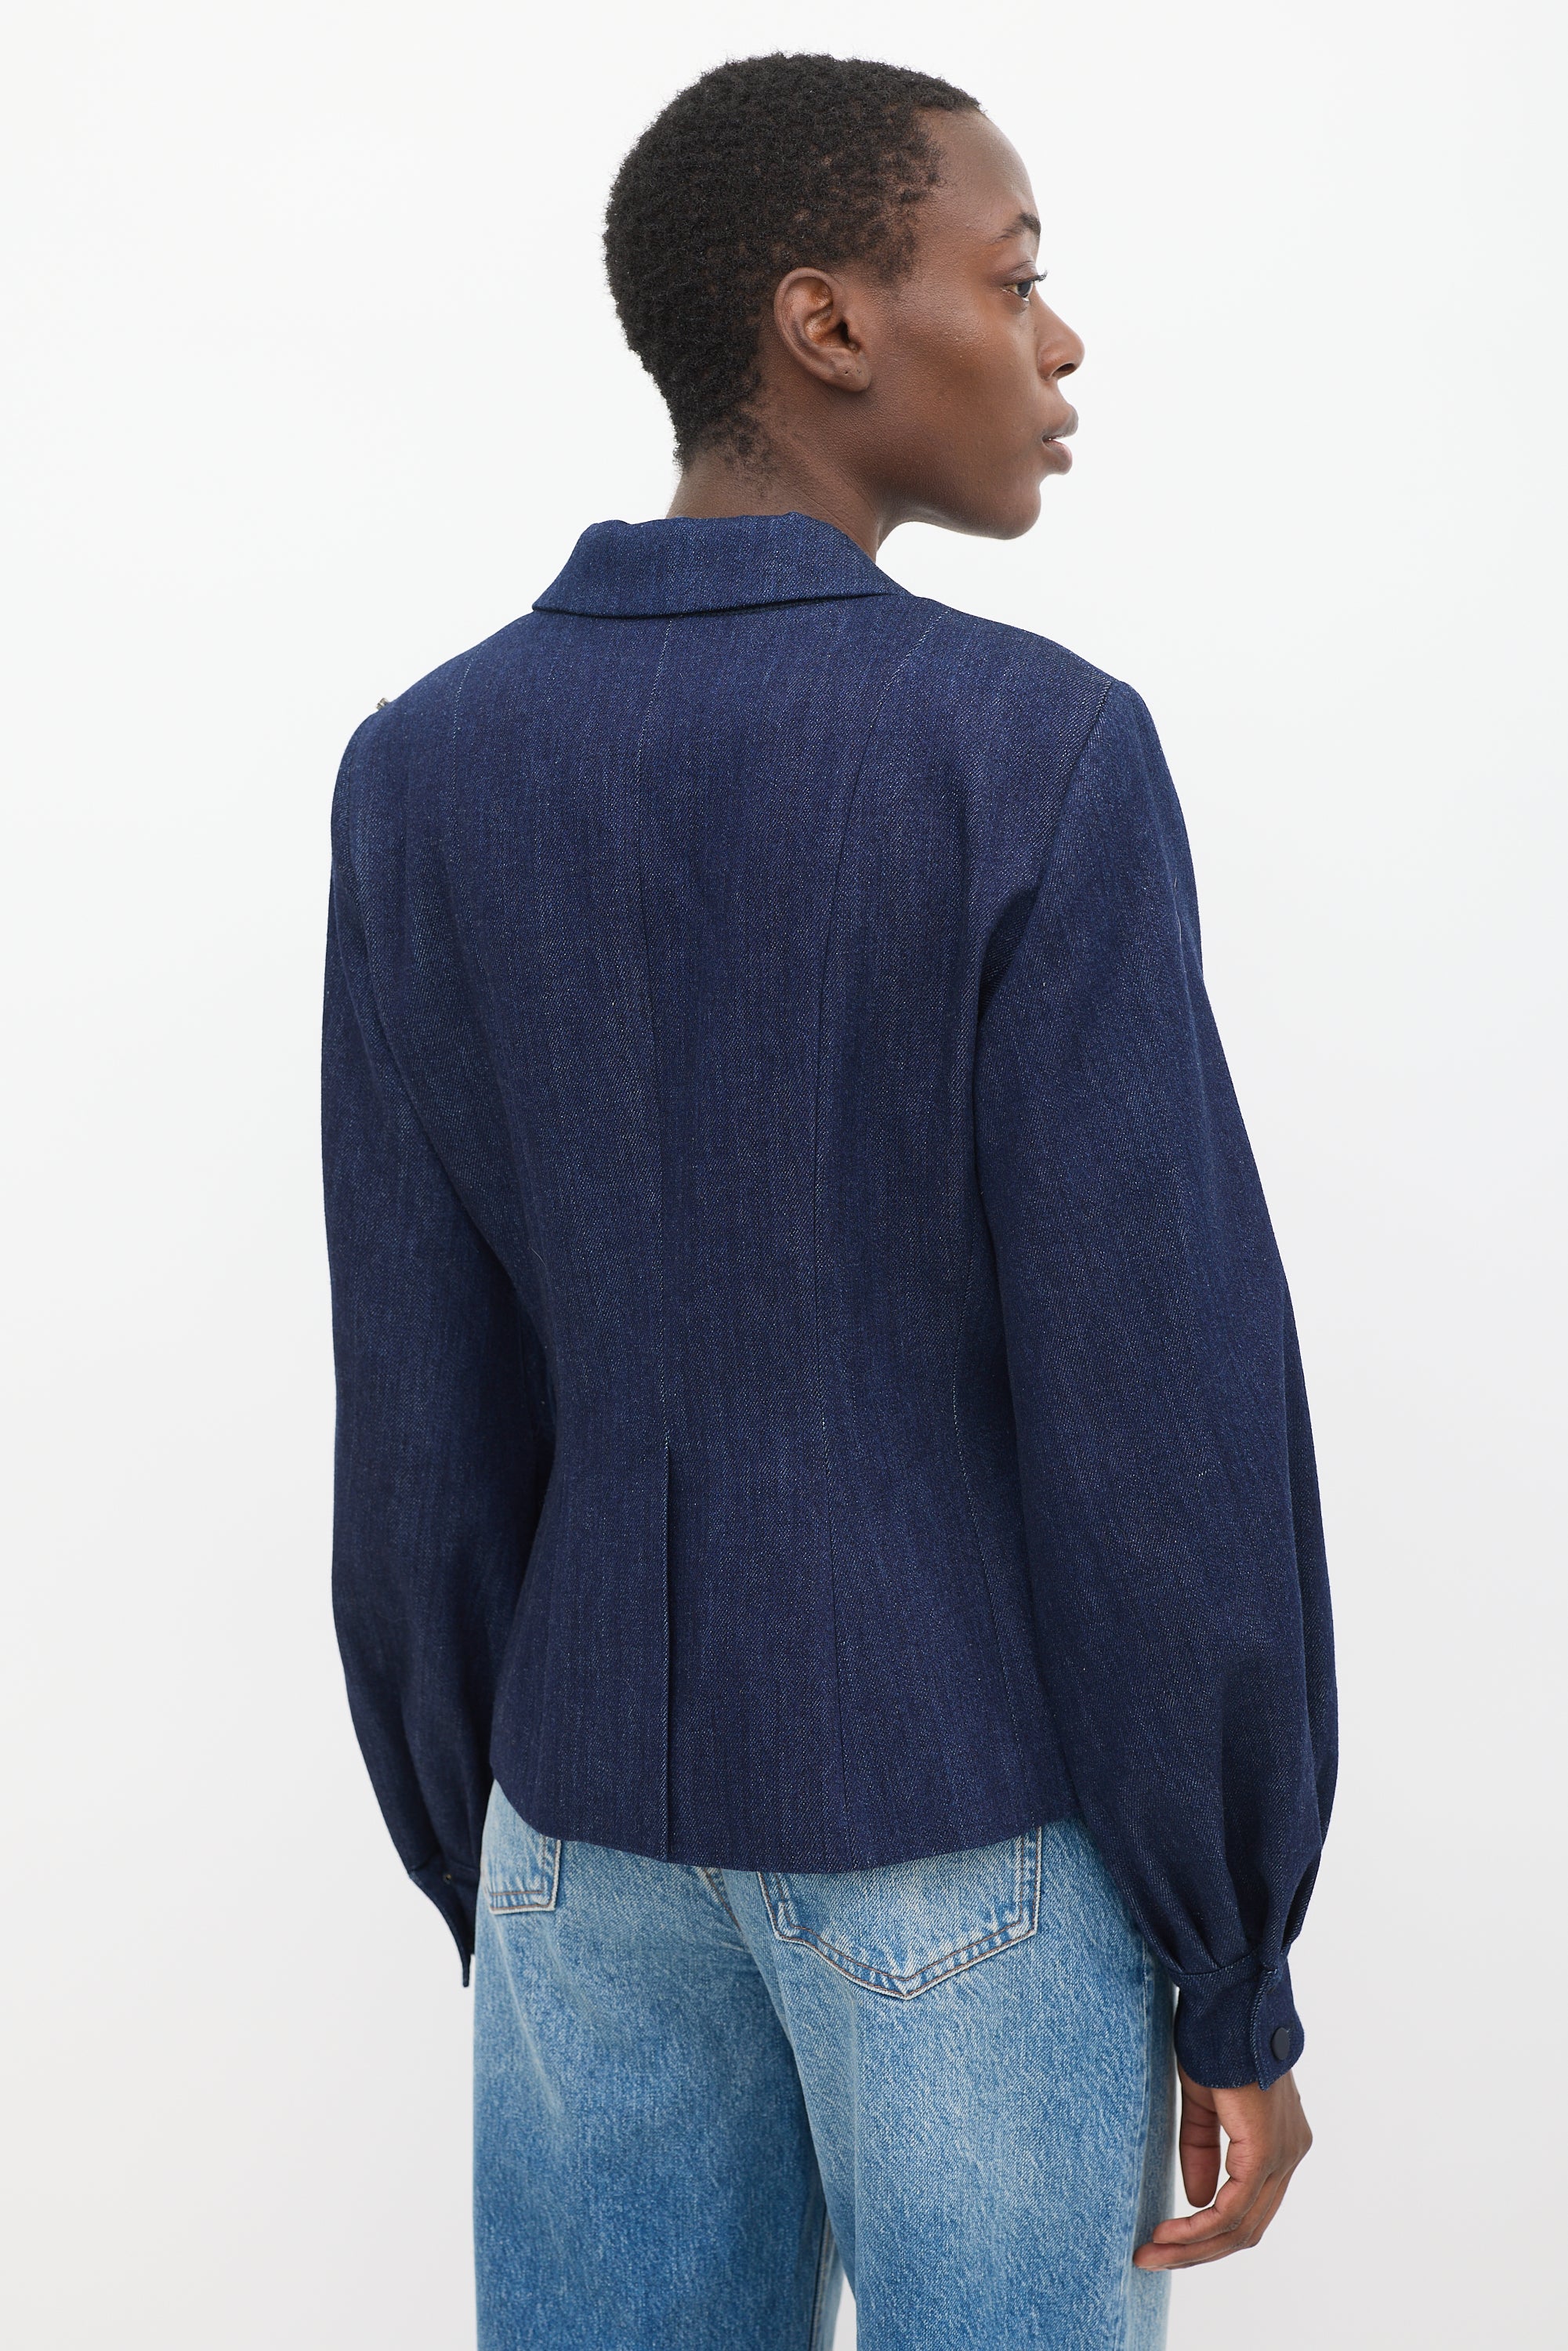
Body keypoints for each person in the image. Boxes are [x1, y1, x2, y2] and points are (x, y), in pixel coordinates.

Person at [322, 50, 1334, 2351]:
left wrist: (490, 1840)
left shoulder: (424, 767)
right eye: (1016, 276)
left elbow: (419, 1386)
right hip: (952, 1818)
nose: (1059, 342)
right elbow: (1154, 1400)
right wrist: (1233, 1953)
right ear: (828, 321)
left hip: (572, 1818)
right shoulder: (1030, 751)